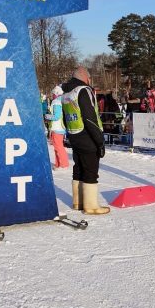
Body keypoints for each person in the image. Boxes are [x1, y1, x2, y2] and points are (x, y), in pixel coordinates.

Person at [62, 66, 110, 215]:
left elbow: (65, 117)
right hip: (87, 136)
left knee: (79, 168)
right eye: (89, 78)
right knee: (90, 170)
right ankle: (91, 206)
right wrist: (99, 141)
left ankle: (78, 202)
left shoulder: (66, 93)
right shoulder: (84, 90)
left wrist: (70, 135)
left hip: (74, 135)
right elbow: (90, 117)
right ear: (86, 78)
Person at [45, 85, 69, 170]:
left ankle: (63, 164)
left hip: (57, 128)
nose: (52, 95)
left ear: (56, 93)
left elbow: (57, 116)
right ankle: (58, 164)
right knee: (57, 147)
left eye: (53, 93)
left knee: (58, 147)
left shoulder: (56, 102)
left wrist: (47, 116)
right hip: (60, 128)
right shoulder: (62, 101)